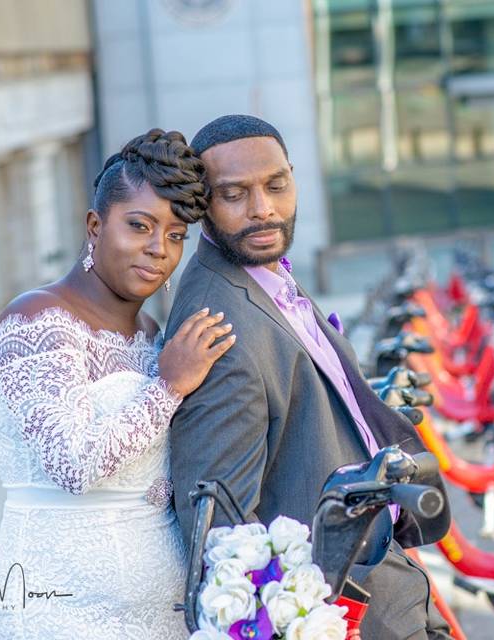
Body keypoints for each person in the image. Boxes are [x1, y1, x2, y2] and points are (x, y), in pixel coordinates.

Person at [167, 114, 452, 639]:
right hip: (343, 606)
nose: (263, 208)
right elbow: (222, 534)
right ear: (203, 204)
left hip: (382, 573)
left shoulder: (263, 275)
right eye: (234, 195)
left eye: (276, 185)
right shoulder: (218, 327)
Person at [0, 129, 234, 639]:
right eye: (139, 226)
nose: (159, 249)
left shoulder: (152, 337)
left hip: (160, 618)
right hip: (56, 608)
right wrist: (168, 388)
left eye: (176, 234)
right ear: (96, 225)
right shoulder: (38, 322)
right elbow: (73, 464)